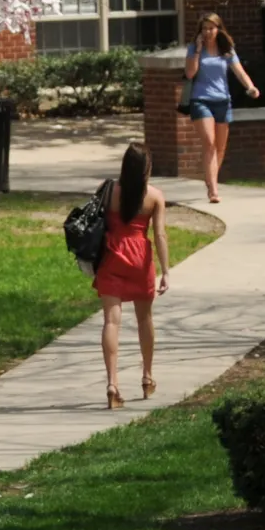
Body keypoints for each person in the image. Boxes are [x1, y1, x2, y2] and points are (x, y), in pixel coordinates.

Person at [93, 142, 170, 408]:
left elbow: (96, 221)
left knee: (111, 322)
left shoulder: (108, 191)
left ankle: (112, 383)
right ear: (146, 169)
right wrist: (166, 271)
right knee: (144, 318)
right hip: (140, 258)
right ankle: (147, 377)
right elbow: (159, 234)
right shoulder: (155, 197)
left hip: (112, 255)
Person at [183, 12, 261, 204]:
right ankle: (214, 190)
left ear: (218, 29)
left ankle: (210, 180)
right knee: (209, 142)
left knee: (220, 147)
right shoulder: (194, 48)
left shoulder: (226, 49)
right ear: (200, 31)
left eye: (211, 28)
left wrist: (250, 87)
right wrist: (199, 50)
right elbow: (190, 73)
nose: (208, 32)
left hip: (223, 101)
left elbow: (239, 72)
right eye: (205, 28)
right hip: (200, 100)